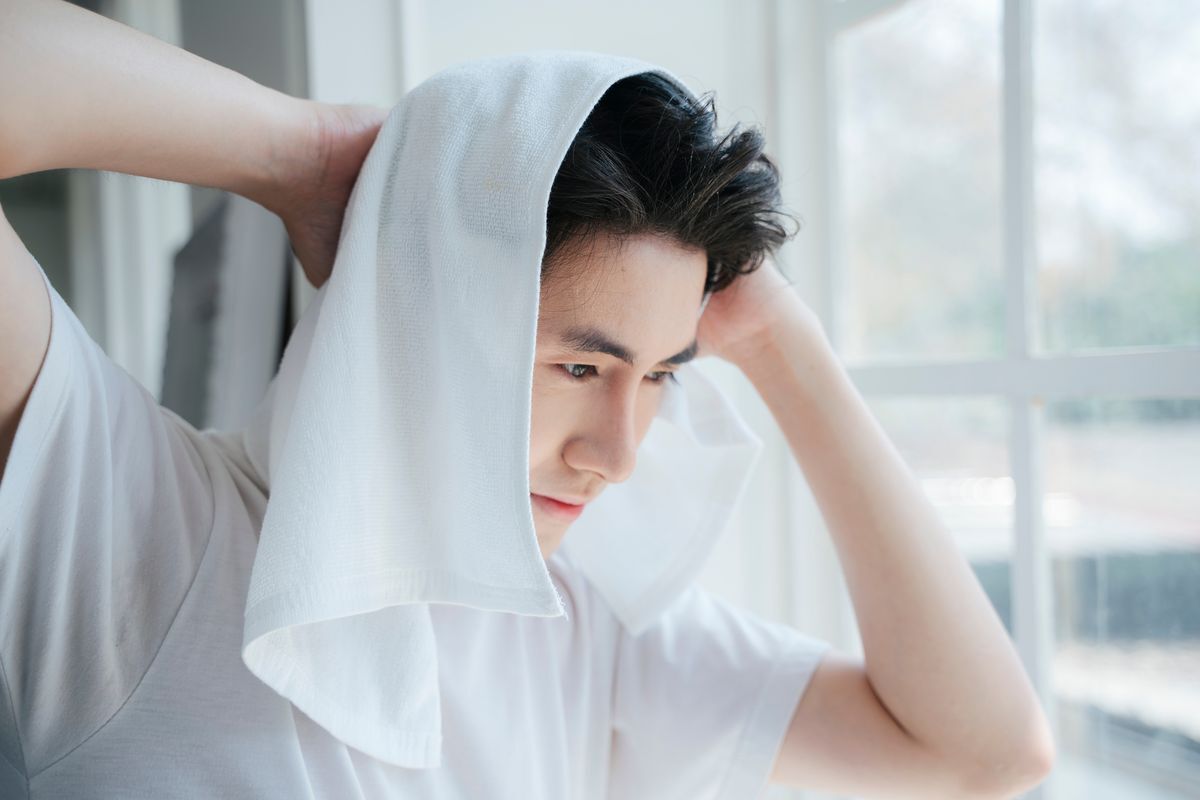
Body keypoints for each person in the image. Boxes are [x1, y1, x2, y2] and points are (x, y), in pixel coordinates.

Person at [0, 1, 1056, 798]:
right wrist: (312, 157)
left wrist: (780, 340)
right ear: (418, 318)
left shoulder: (580, 623)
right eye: (582, 368)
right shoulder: (141, 533)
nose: (618, 451)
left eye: (661, 375)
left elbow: (987, 750)